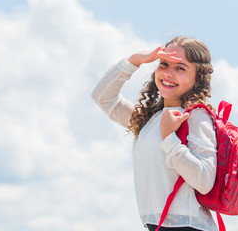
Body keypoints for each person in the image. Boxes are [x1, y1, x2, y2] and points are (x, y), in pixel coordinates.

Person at [92, 36, 218, 231]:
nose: (168, 73)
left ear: (198, 77)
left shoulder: (195, 116)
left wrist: (169, 139)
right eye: (164, 64)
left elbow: (204, 181)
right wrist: (133, 61)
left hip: (189, 226)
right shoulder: (149, 120)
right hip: (159, 226)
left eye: (180, 68)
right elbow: (103, 97)